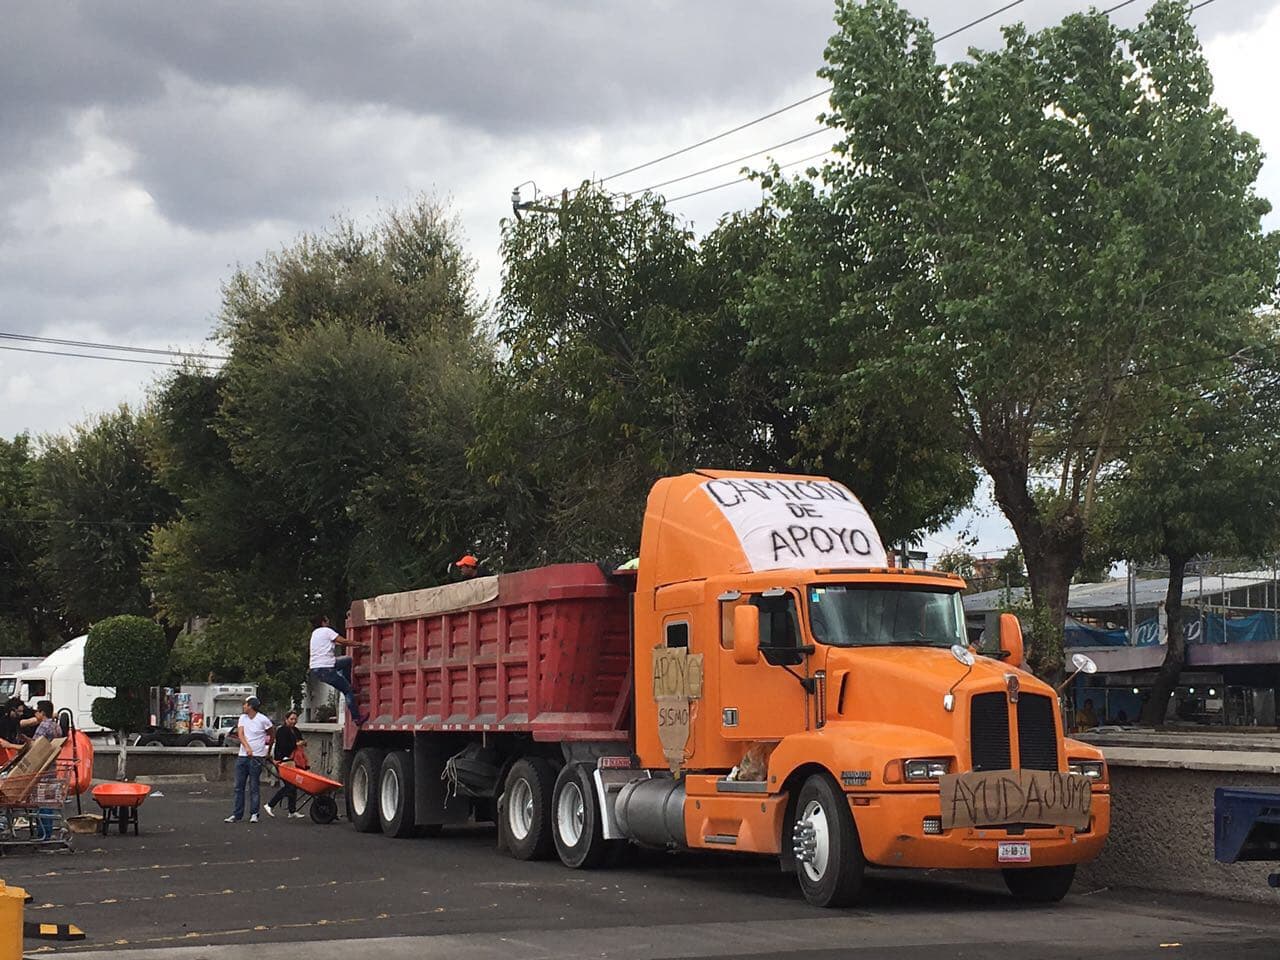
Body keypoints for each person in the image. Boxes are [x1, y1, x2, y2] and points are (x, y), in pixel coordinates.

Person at [308, 615, 367, 725]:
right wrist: (359, 644)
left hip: (316, 668)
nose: (329, 621)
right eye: (327, 619)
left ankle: (348, 682)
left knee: (347, 660)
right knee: (347, 691)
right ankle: (357, 718)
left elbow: (336, 642)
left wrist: (348, 643)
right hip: (327, 667)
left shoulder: (315, 633)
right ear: (323, 622)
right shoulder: (327, 631)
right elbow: (343, 641)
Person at [225, 697, 273, 824]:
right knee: (238, 786)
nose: (244, 706)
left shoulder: (263, 719)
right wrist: (247, 747)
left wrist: (268, 750)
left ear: (251, 706)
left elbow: (271, 733)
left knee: (254, 786)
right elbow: (240, 734)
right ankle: (237, 814)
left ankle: (254, 813)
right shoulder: (243, 718)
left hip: (257, 756)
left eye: (245, 704)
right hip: (243, 755)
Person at [263, 711, 307, 819]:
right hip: (283, 760)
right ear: (286, 719)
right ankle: (270, 804)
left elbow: (300, 741)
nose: (294, 721)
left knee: (294, 785)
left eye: (295, 719)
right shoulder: (282, 731)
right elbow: (283, 746)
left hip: (293, 760)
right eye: (291, 719)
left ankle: (292, 811)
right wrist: (296, 744)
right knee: (289, 786)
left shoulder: (295, 730)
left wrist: (302, 743)